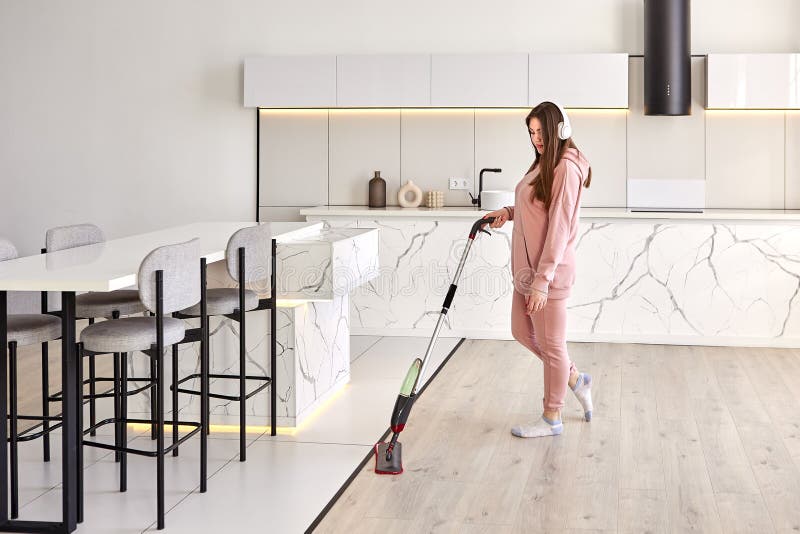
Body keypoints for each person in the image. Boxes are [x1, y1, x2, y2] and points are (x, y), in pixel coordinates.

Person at [484, 101, 593, 438]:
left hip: (548, 276)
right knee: (522, 332)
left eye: (541, 131)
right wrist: (509, 211)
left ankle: (552, 416)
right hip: (528, 274)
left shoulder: (566, 168)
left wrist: (542, 281)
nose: (536, 138)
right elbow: (536, 207)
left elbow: (558, 227)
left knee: (553, 345)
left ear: (560, 129)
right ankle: (576, 378)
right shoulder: (545, 164)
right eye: (531, 133)